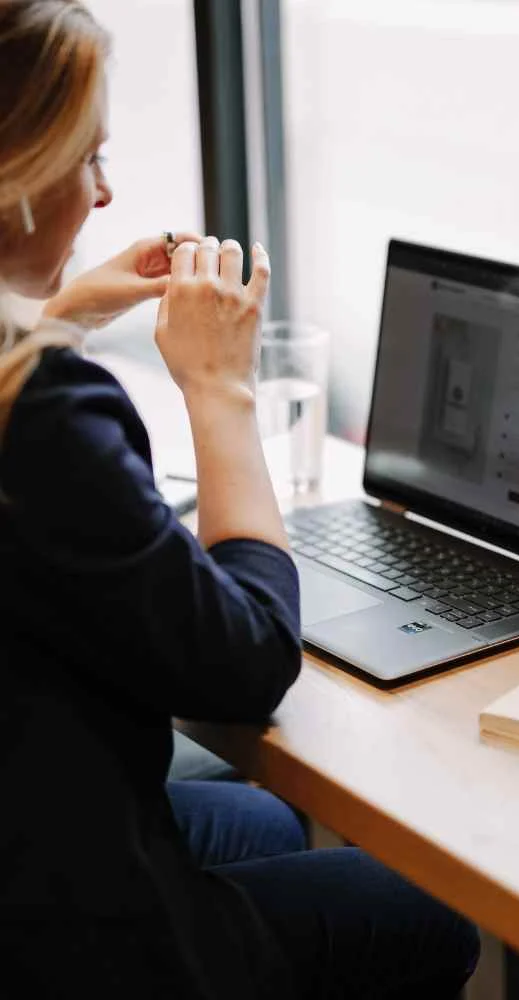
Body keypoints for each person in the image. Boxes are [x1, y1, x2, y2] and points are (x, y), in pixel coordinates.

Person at [0, 2, 480, 997]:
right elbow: (247, 661)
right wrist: (221, 389)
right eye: (87, 158)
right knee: (420, 913)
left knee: (259, 816)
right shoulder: (41, 416)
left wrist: (64, 309)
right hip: (60, 937)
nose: (104, 191)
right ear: (17, 179)